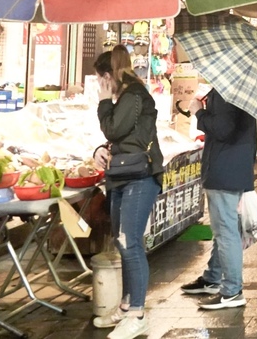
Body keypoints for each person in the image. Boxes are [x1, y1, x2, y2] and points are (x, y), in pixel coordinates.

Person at [92, 45, 164, 339]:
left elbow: (113, 129)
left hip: (139, 177)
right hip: (123, 175)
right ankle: (125, 306)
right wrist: (100, 150)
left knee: (130, 242)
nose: (98, 84)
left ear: (108, 76)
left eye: (99, 78)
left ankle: (137, 314)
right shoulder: (127, 96)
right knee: (123, 243)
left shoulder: (134, 95)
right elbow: (121, 139)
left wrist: (102, 101)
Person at [180, 87, 257, 310]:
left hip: (225, 168)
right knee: (224, 228)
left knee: (226, 231)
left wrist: (199, 112)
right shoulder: (240, 90)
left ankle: (232, 291)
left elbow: (223, 129)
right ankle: (213, 278)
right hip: (233, 166)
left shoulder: (229, 91)